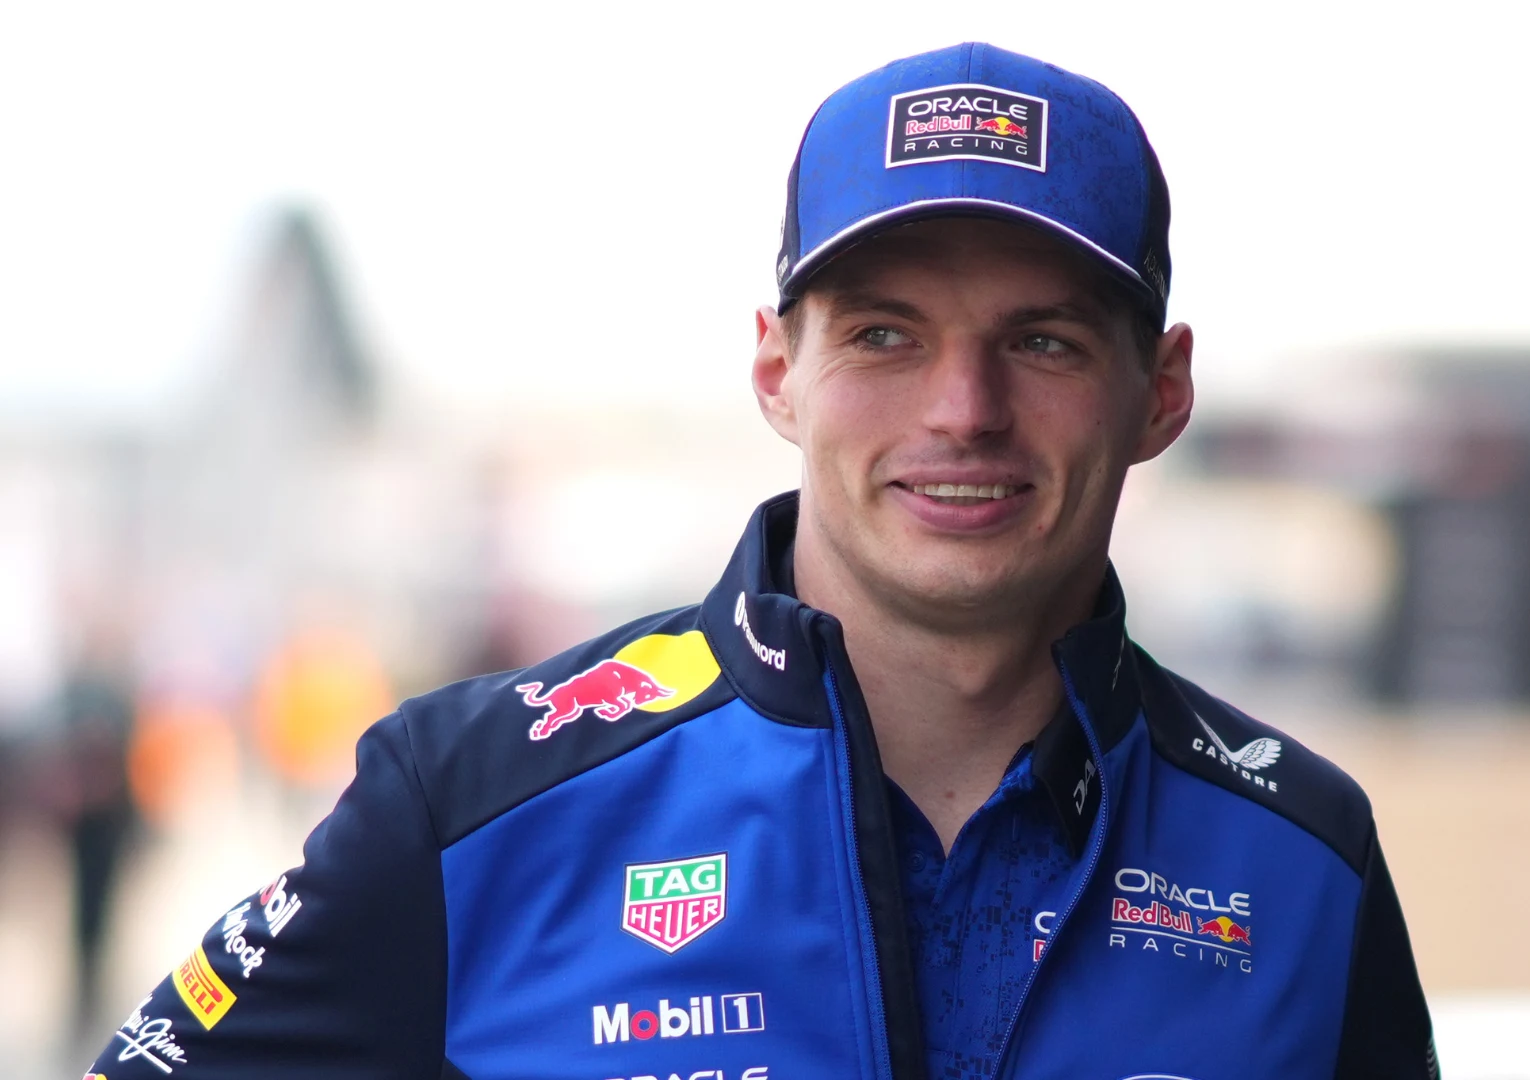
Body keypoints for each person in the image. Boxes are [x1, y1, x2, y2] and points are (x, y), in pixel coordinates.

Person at [86, 42, 1434, 1080]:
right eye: (886, 338)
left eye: (1044, 342)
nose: (961, 409)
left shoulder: (1304, 863)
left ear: (1162, 390)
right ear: (777, 371)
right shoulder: (471, 806)